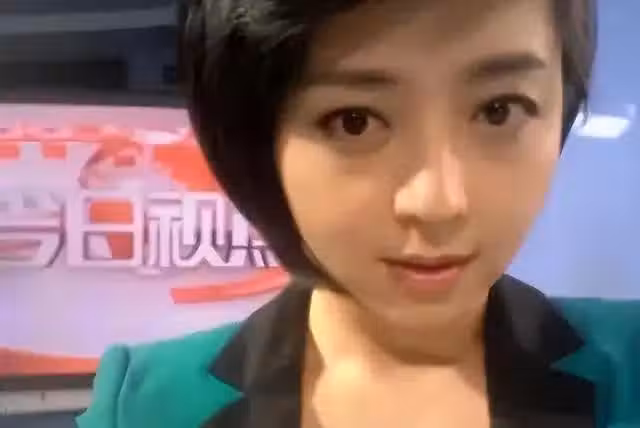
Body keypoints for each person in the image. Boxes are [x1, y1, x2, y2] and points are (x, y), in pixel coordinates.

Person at [77, 0, 640, 427]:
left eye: (499, 110)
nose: (438, 203)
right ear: (260, 141)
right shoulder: (147, 405)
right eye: (354, 121)